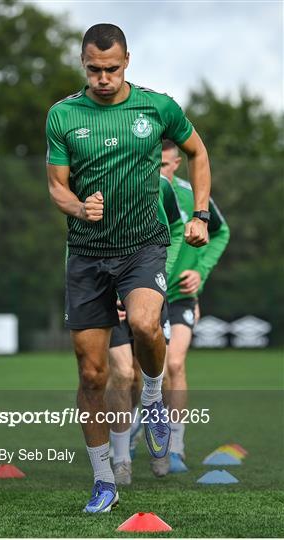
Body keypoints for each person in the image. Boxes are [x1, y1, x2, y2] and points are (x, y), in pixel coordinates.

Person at [46, 23, 211, 513]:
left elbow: (197, 152)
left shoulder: (156, 107)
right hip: (86, 254)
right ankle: (103, 481)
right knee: (93, 375)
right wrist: (77, 208)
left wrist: (199, 214)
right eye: (94, 69)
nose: (103, 78)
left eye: (112, 69)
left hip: (143, 246)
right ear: (83, 64)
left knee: (143, 323)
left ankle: (154, 397)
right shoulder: (62, 115)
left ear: (127, 61)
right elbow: (56, 186)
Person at [149, 139, 230, 476]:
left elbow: (221, 232)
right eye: (156, 166)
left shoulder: (191, 194)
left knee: (175, 363)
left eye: (166, 165)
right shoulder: (138, 190)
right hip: (145, 293)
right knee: (142, 374)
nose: (161, 172)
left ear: (178, 164)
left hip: (180, 294)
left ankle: (176, 446)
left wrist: (199, 272)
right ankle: (144, 426)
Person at [107, 175, 184, 486]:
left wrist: (160, 277)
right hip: (106, 294)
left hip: (145, 288)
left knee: (156, 376)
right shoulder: (90, 178)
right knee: (123, 375)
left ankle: (159, 437)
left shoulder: (157, 184)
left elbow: (174, 229)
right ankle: (121, 459)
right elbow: (76, 242)